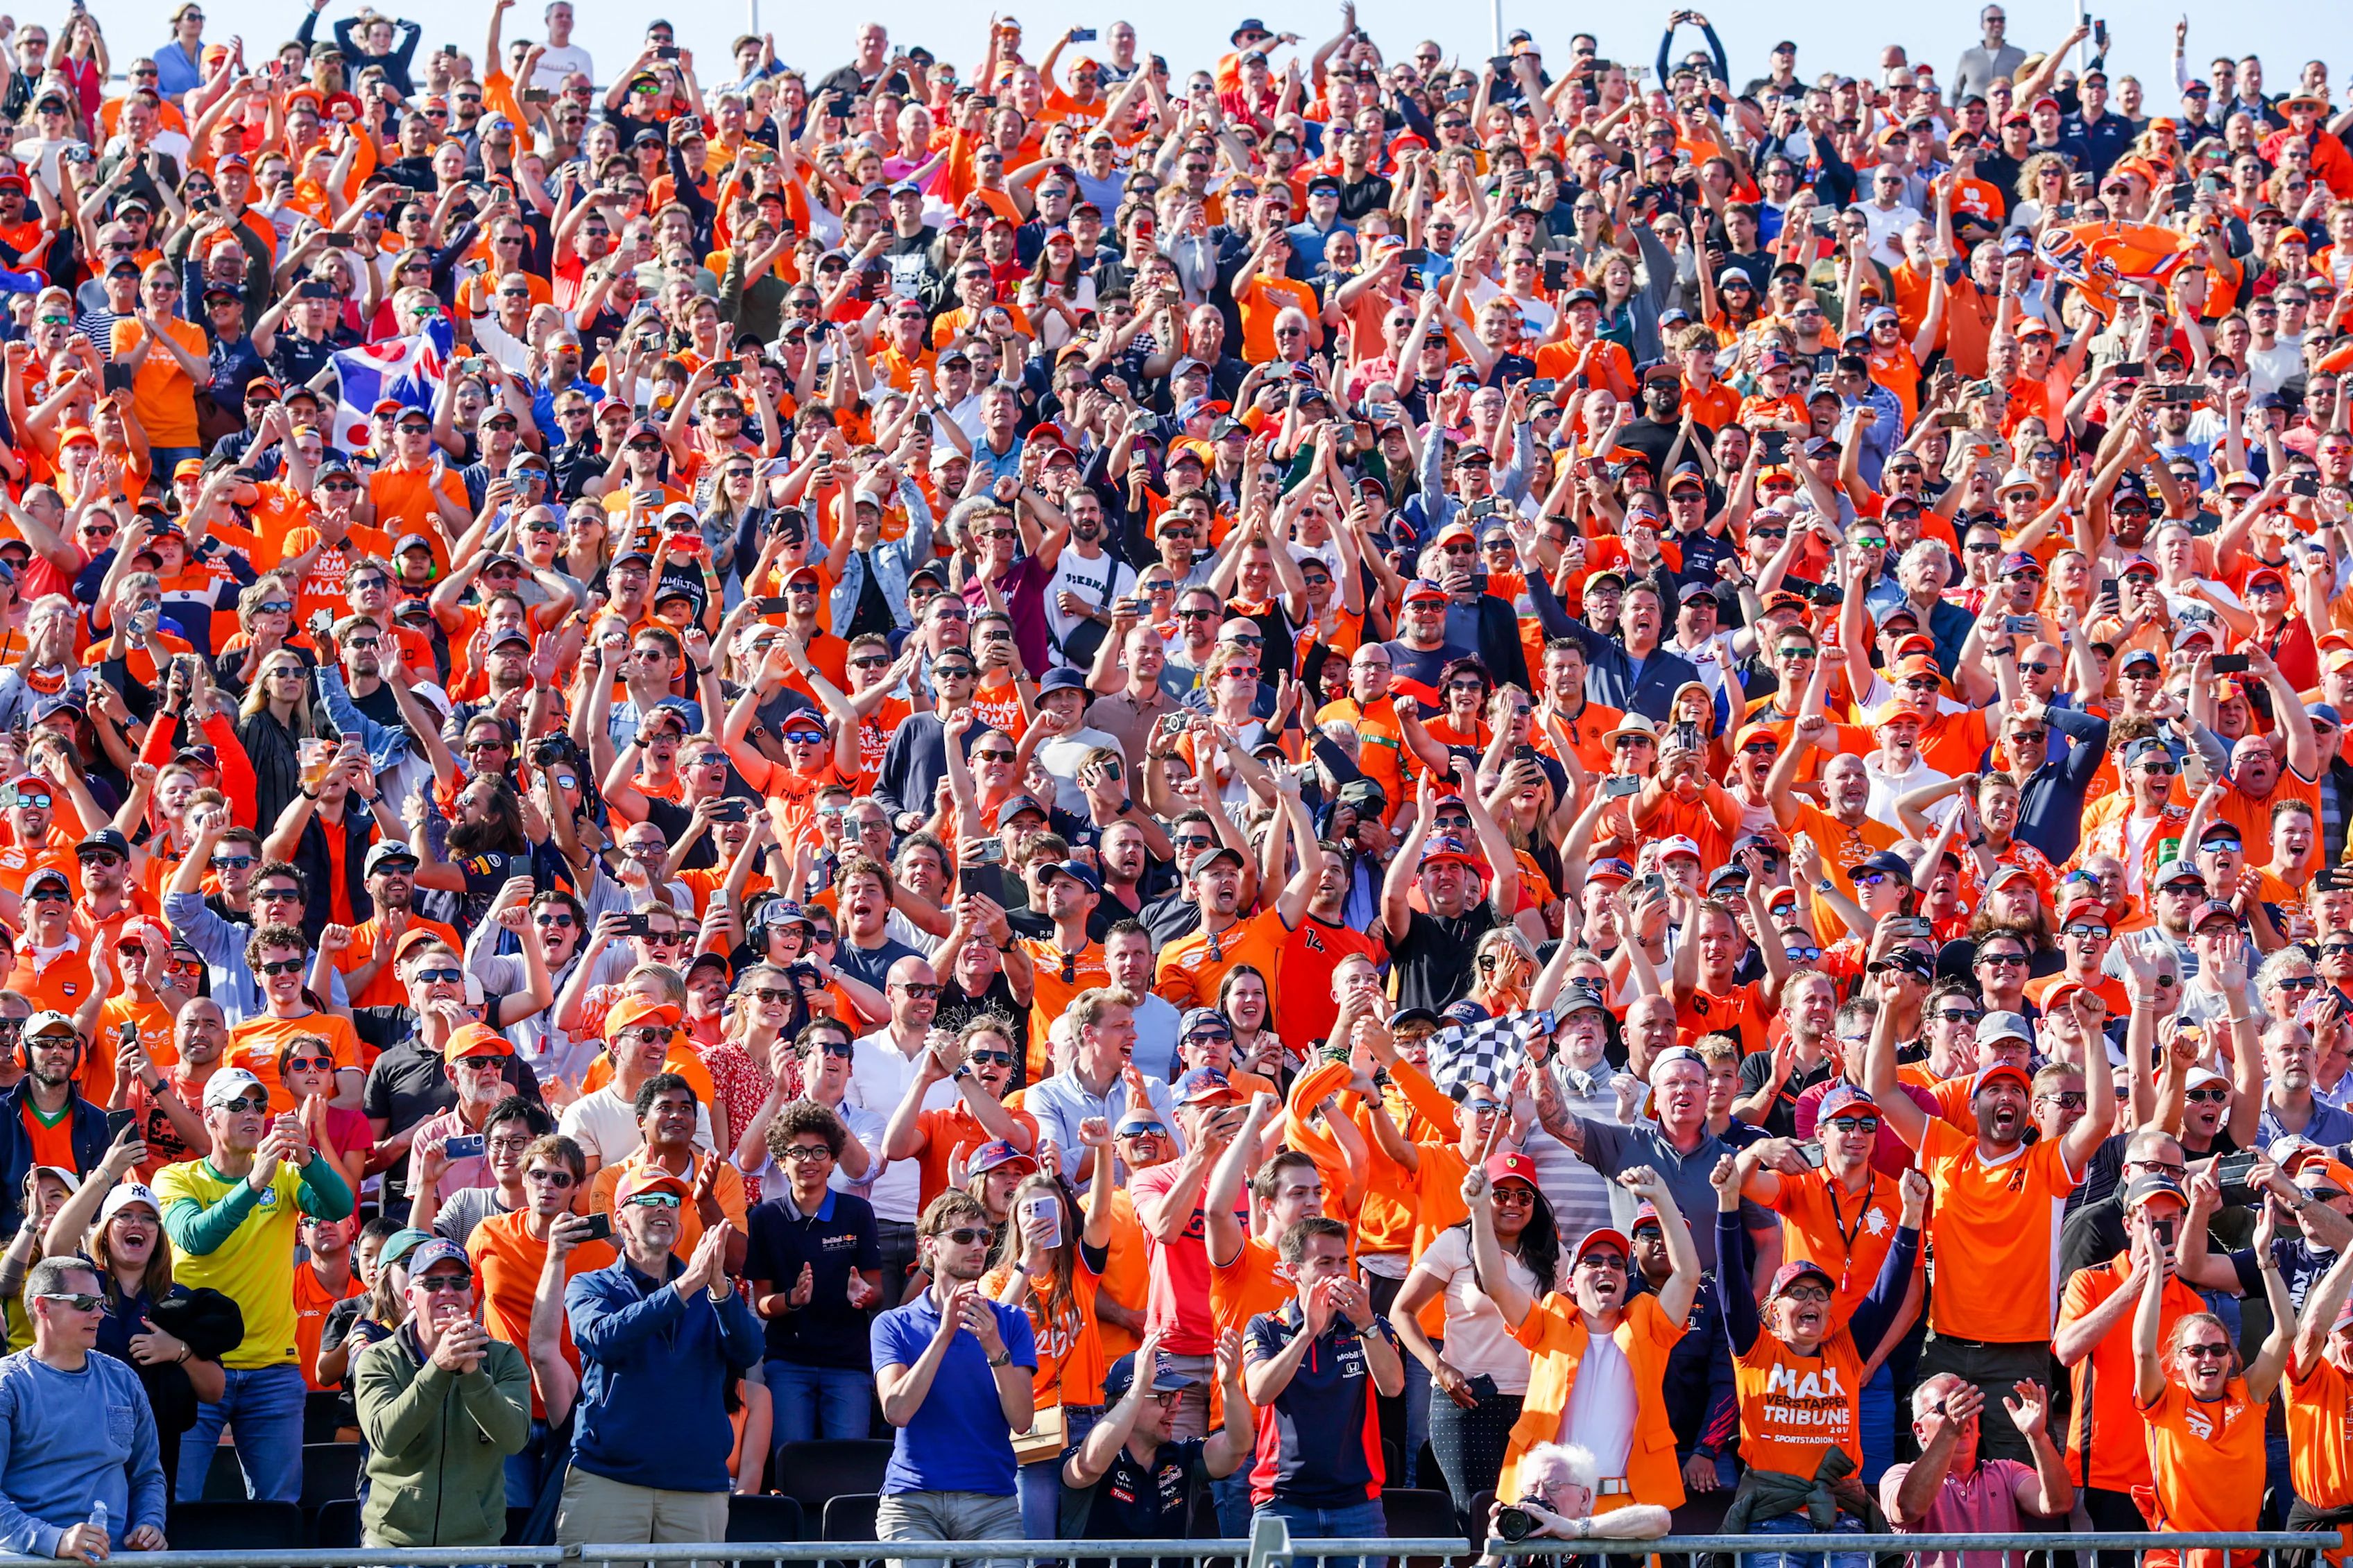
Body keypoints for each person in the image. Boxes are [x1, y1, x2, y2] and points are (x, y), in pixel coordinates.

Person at [155, 1067, 354, 1502]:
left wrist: (307, 1158)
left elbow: (340, 1206)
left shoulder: (285, 1175)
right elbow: (196, 1238)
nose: (252, 1113)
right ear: (209, 1115)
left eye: (259, 1105)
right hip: (195, 1363)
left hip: (272, 1370)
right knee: (176, 1500)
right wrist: (253, 1184)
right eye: (238, 1104)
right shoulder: (176, 1178)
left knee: (279, 1505)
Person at [558, 1164, 760, 1558]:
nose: (663, 1207)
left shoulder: (709, 1288)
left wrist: (720, 1289)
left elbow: (749, 1352)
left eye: (670, 1200)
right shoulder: (591, 1284)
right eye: (648, 1199)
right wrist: (683, 1288)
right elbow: (603, 1339)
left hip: (696, 1486)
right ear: (621, 1219)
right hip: (609, 1480)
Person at [873, 1189, 1037, 1562]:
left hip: (992, 1503)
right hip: (913, 1503)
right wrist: (944, 1334)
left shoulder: (1010, 1321)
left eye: (985, 1237)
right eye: (964, 1236)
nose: (978, 1246)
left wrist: (995, 1348)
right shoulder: (893, 1324)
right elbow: (896, 1411)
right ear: (930, 1245)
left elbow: (1022, 1420)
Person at [1242, 1214, 1407, 1564]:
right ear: (1293, 1271)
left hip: (1358, 1506)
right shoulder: (1266, 1326)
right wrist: (1306, 1334)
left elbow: (1393, 1387)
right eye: (1325, 1263)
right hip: (1281, 1504)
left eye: (1344, 1261)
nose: (1339, 1272)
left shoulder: (1371, 1325)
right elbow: (1259, 1392)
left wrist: (1365, 1324)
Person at [351, 1237, 532, 1549]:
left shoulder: (503, 1358)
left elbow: (514, 1439)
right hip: (393, 1544)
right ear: (411, 1297)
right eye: (432, 1283)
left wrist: (473, 1374)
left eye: (458, 1282)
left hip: (476, 1545)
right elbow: (386, 1438)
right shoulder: (378, 1358)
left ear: (471, 1294)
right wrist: (438, 1367)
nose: (447, 1291)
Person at [0, 1255, 169, 1559]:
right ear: (42, 1307)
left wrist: (150, 1524)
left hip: (119, 1560)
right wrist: (53, 1540)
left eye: (101, 1302)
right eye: (85, 1302)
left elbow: (147, 1475)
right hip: (33, 1561)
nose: (99, 1313)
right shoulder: (8, 1385)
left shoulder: (123, 1379)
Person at [1059, 1328, 1254, 1540]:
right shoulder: (1085, 1452)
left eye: (1176, 1396)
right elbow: (1089, 1466)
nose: (1175, 1408)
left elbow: (1237, 1448)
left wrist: (1229, 1385)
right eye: (1163, 1397)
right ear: (1125, 1404)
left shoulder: (1183, 1457)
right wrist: (1139, 1388)